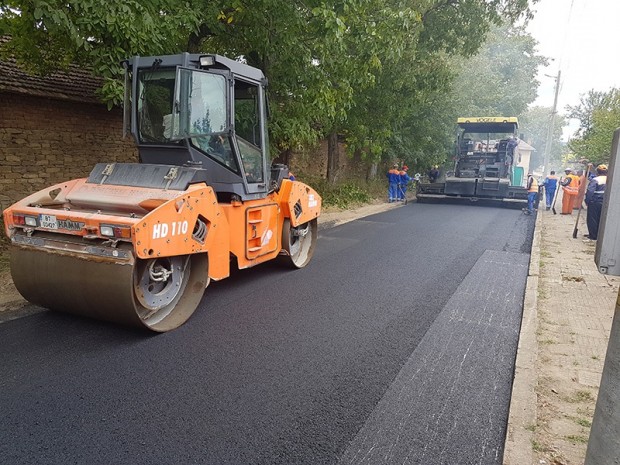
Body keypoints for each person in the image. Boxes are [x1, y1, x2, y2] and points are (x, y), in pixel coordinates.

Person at [585, 164, 608, 240]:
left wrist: (587, 201)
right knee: (601, 219)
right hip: (606, 202)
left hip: (595, 202)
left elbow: (590, 191)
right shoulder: (610, 180)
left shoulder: (595, 180)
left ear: (597, 172)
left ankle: (593, 236)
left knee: (592, 219)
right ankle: (600, 235)